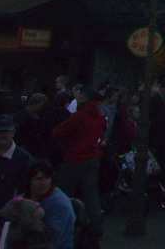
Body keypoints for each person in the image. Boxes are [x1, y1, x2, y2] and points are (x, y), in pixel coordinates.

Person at [51, 85, 105, 236]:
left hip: (75, 157)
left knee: (63, 191)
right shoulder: (99, 116)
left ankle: (60, 222)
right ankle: (95, 224)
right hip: (93, 156)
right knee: (91, 193)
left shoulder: (79, 116)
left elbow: (58, 132)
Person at [25, 157, 75, 249]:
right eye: (38, 179)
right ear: (30, 180)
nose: (43, 183)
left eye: (47, 178)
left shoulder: (59, 204)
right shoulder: (23, 198)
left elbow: (52, 240)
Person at [0, 114, 34, 210]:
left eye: (5, 131)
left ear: (13, 132)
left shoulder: (24, 159)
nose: (0, 135)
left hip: (12, 214)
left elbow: (29, 191)